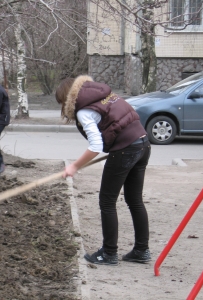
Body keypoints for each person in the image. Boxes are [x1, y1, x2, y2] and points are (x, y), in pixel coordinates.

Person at [55, 75, 151, 266]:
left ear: (67, 99)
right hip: (143, 144)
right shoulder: (103, 95)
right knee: (135, 200)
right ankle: (141, 250)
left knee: (107, 201)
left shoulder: (84, 110)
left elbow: (95, 145)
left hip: (125, 150)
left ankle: (109, 253)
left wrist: (74, 166)